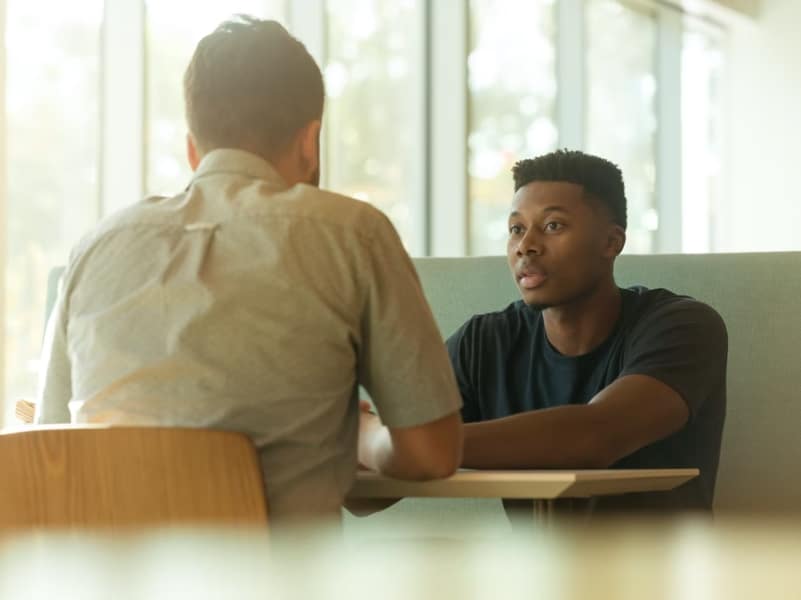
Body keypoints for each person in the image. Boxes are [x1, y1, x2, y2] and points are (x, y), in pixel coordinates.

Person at [36, 16, 462, 525]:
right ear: (310, 142)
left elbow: (50, 448)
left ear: (193, 149)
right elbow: (432, 454)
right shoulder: (353, 233)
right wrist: (364, 435)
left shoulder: (95, 248)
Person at [445, 149, 727, 513]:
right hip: (535, 569)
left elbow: (595, 437)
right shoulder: (484, 343)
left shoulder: (683, 327)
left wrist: (412, 446)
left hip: (661, 568)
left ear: (611, 242)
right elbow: (368, 496)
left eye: (552, 226)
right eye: (516, 228)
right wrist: (371, 442)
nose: (525, 246)